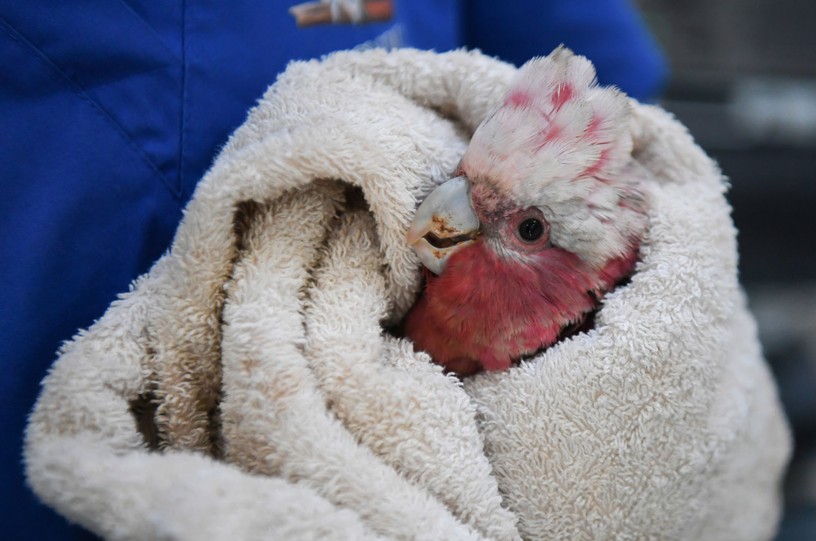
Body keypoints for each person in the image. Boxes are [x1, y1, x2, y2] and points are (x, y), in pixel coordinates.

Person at [0, 1, 666, 537]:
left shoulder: (587, 320)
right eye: (463, 180)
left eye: (525, 230)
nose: (452, 207)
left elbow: (618, 96)